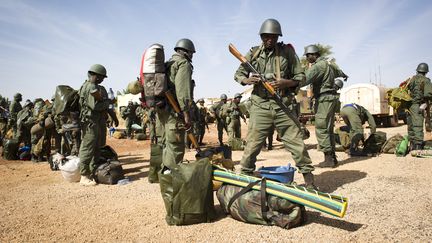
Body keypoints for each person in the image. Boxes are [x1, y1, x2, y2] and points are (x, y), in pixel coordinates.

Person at [233, 18, 316, 189]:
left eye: (273, 37)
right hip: (260, 105)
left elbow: (301, 77)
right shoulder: (253, 53)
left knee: (296, 143)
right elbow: (239, 73)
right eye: (265, 37)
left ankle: (309, 181)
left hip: (282, 105)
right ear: (261, 37)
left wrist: (287, 82)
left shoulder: (287, 53)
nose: (269, 40)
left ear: (278, 37)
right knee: (253, 145)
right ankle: (244, 178)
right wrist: (247, 80)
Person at [302, 44, 348, 167]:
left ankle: (328, 160)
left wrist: (290, 81)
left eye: (308, 55)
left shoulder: (318, 66)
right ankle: (332, 158)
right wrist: (344, 76)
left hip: (323, 99)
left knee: (321, 128)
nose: (307, 58)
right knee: (328, 129)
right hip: (332, 98)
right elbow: (341, 73)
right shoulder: (329, 64)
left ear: (314, 55)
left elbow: (304, 79)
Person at [156, 38, 195, 169]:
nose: (192, 56)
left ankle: (158, 175)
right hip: (174, 111)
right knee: (175, 145)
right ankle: (170, 184)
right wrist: (186, 113)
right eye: (192, 53)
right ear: (186, 52)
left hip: (162, 110)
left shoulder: (167, 64)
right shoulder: (183, 64)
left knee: (164, 143)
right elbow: (183, 91)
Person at [78, 64, 110, 186]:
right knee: (87, 147)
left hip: (91, 121)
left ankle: (91, 172)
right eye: (102, 77)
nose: (102, 80)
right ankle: (84, 176)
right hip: (90, 122)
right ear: (96, 76)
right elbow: (94, 106)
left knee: (94, 147)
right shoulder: (91, 86)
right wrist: (106, 103)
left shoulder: (85, 85)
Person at [406, 63, 432, 150]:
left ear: (417, 70)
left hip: (409, 106)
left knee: (411, 125)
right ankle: (418, 147)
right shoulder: (426, 80)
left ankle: (412, 145)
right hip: (418, 105)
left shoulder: (411, 79)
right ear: (425, 72)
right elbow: (428, 94)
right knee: (417, 125)